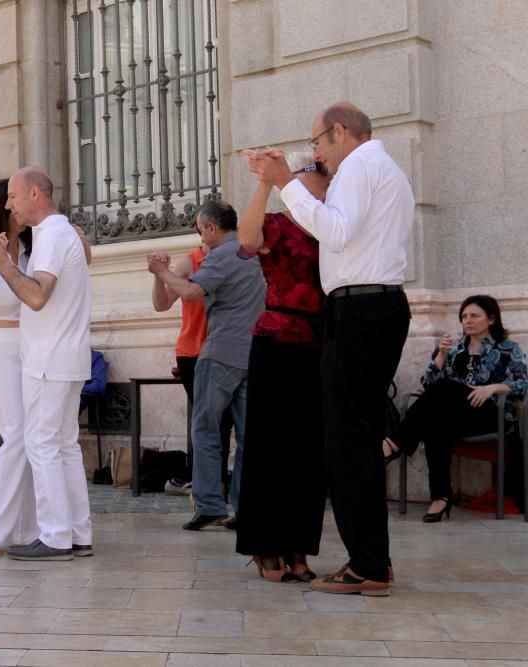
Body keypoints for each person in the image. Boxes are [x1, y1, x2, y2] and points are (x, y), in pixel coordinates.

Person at [248, 102, 414, 596]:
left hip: (362, 310)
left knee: (349, 442)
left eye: (318, 142)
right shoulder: (381, 168)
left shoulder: (361, 165)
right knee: (353, 438)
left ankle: (367, 564)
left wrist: (285, 182)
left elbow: (335, 232)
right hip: (368, 309)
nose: (317, 152)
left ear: (339, 132)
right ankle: (372, 560)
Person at [0, 178, 93, 557]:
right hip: (2, 346)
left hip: (39, 345)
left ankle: (40, 529)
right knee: (21, 436)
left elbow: (68, 271)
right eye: (9, 201)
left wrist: (76, 239)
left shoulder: (43, 239)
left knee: (43, 441)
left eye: (17, 198)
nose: (14, 208)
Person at [234, 153, 330, 583]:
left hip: (320, 342)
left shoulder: (333, 225)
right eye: (308, 175)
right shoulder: (280, 223)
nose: (316, 182)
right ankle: (265, 545)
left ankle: (298, 548)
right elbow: (247, 238)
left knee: (308, 452)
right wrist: (266, 183)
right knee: (269, 446)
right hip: (277, 340)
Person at [148, 200, 265, 532]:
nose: (200, 238)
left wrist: (160, 272)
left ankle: (211, 504)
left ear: (212, 228)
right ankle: (244, 507)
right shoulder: (251, 252)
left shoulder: (221, 256)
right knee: (246, 436)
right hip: (250, 354)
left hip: (219, 354)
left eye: (200, 231)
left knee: (205, 430)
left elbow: (189, 292)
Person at [383, 295, 527, 522]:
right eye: (464, 316)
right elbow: (429, 387)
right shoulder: (457, 349)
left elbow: (522, 382)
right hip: (458, 414)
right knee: (435, 424)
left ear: (491, 319)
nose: (467, 321)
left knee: (444, 391)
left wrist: (491, 388)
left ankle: (395, 442)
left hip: (492, 413)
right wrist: (441, 355)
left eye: (474, 316)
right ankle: (440, 497)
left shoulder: (509, 348)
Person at [150, 239, 234, 501]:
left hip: (227, 352)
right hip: (194, 354)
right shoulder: (191, 261)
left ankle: (210, 485)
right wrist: (158, 276)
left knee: (224, 422)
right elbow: (161, 304)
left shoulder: (235, 257)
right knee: (211, 424)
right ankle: (209, 488)